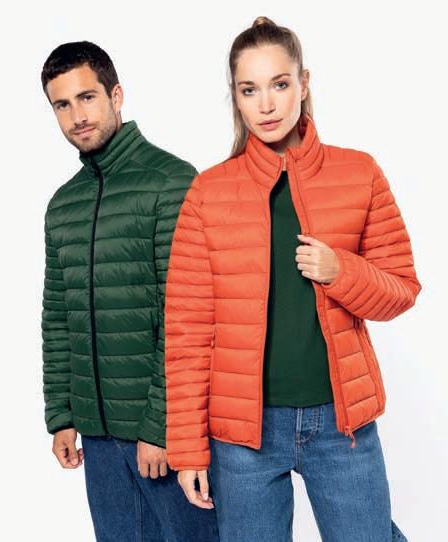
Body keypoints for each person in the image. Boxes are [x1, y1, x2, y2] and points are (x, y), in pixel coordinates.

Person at [164, 17, 420, 542]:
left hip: (341, 425)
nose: (266, 104)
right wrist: (188, 447)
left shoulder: (359, 173)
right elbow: (187, 330)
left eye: (279, 84)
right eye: (249, 90)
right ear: (235, 97)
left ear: (304, 83)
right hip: (244, 435)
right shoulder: (208, 192)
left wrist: (341, 271)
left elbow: (401, 290)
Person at [40, 40, 219, 542]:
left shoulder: (171, 181)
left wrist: (160, 426)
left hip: (162, 435)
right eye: (62, 104)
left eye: (87, 97)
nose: (77, 116)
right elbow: (58, 318)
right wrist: (62, 416)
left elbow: (187, 315)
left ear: (116, 95)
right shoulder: (63, 204)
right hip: (97, 438)